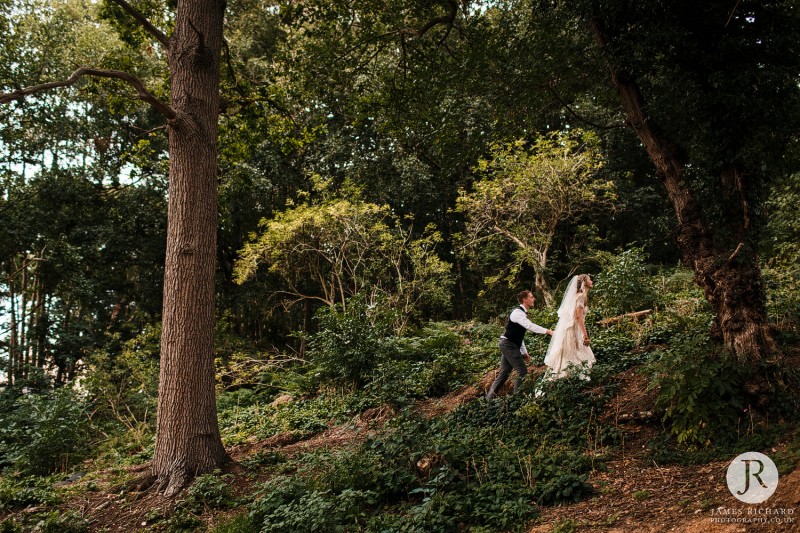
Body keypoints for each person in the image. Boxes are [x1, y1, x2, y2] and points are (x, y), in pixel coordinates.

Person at [485, 290, 554, 399]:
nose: (534, 299)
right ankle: (517, 399)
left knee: (504, 373)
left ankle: (488, 399)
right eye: (531, 297)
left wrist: (524, 352)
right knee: (522, 371)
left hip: (509, 345)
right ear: (525, 300)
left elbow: (519, 336)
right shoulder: (517, 313)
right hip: (508, 345)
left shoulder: (521, 313)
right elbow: (530, 326)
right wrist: (548, 331)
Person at [543, 274, 596, 380]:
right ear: (584, 283)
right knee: (576, 355)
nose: (592, 282)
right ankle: (573, 379)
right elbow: (579, 317)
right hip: (574, 330)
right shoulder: (581, 296)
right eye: (590, 280)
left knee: (573, 355)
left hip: (572, 329)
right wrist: (585, 335)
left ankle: (569, 379)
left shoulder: (577, 295)